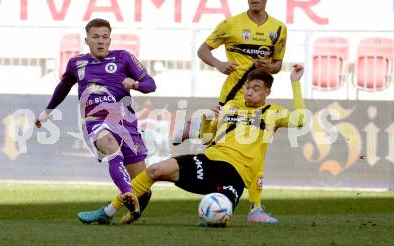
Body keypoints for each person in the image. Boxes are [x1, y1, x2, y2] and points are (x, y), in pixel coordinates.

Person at [88, 64, 306, 225]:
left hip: (236, 175)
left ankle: (215, 216)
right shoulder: (230, 107)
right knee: (154, 170)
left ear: (267, 92)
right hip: (209, 160)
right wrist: (207, 123)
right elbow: (207, 139)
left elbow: (300, 120)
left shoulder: (273, 113)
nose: (249, 91)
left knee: (217, 219)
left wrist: (295, 83)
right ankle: (108, 211)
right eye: (248, 87)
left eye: (256, 88)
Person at [34, 18, 156, 224]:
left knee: (142, 185)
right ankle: (126, 192)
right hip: (96, 120)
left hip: (126, 123)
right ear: (87, 40)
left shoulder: (123, 58)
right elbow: (63, 86)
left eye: (105, 37)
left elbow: (150, 84)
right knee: (109, 145)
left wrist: (134, 84)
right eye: (96, 37)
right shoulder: (77, 63)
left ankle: (129, 205)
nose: (101, 41)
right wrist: (48, 111)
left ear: (110, 39)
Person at [195, 0, 288, 223]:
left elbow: (278, 64)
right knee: (217, 149)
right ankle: (219, 201)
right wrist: (218, 64)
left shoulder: (278, 29)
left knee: (256, 152)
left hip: (256, 99)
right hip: (232, 98)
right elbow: (203, 50)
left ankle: (255, 209)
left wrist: (269, 67)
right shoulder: (230, 24)